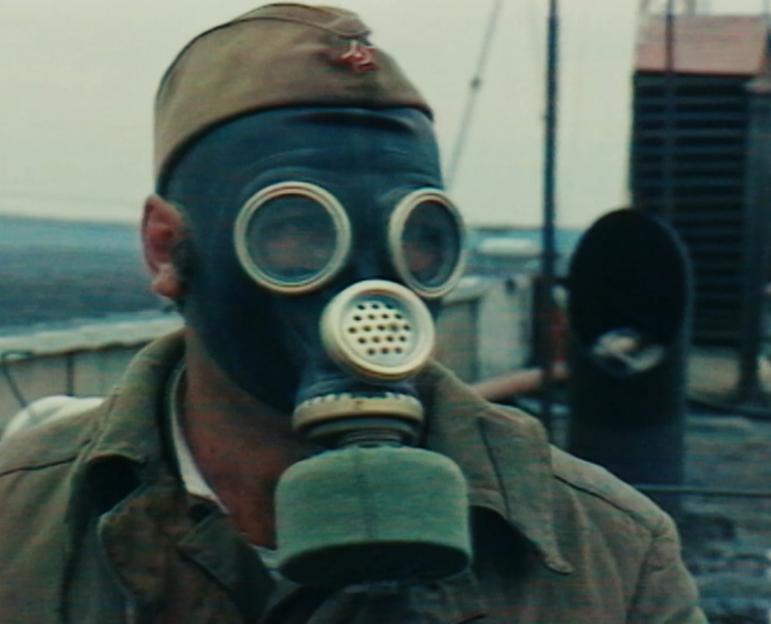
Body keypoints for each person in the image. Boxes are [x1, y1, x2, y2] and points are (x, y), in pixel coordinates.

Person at [0, 4, 706, 622]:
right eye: (296, 231)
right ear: (165, 249)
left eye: (415, 238)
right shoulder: (20, 523)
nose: (369, 286)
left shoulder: (610, 554)